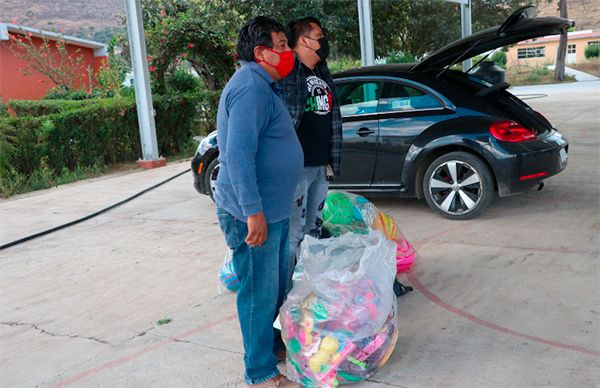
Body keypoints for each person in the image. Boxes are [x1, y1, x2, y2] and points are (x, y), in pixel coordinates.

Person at [214, 16, 303, 388]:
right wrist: (254, 213)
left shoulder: (263, 86)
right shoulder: (250, 88)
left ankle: (268, 348)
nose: (288, 53)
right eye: (282, 45)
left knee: (274, 289)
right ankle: (261, 374)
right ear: (261, 52)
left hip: (274, 210)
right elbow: (237, 156)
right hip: (255, 214)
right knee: (258, 294)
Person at [279, 17, 343, 289]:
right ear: (304, 40)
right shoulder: (288, 74)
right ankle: (289, 292)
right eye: (319, 35)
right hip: (296, 167)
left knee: (313, 231)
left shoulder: (321, 71)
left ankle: (311, 286)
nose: (323, 40)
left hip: (319, 164)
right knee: (294, 235)